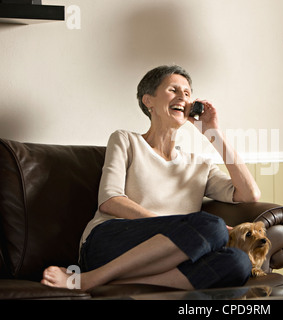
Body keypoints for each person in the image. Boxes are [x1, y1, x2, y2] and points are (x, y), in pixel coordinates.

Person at [41, 65, 261, 291]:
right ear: (149, 101)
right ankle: (91, 278)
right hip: (110, 242)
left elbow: (249, 194)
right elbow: (110, 200)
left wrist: (213, 131)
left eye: (186, 93)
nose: (182, 98)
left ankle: (112, 283)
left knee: (238, 262)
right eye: (173, 90)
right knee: (213, 227)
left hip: (169, 256)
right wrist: (169, 227)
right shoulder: (125, 140)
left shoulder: (200, 164)